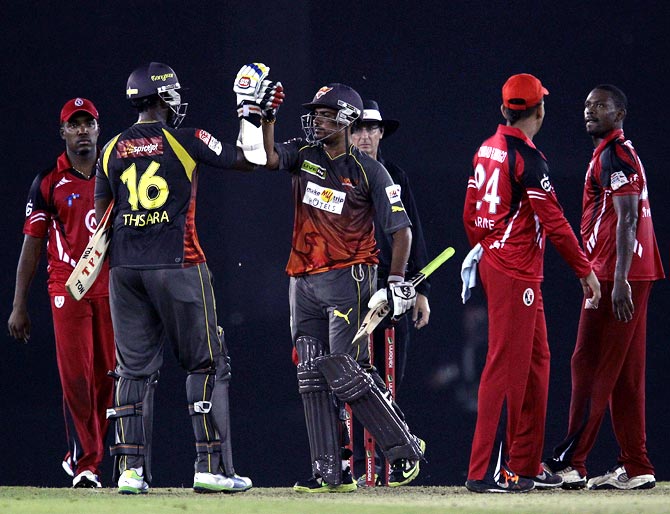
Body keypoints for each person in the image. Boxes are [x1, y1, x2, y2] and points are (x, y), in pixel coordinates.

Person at [94, 62, 264, 494]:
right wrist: (249, 109)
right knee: (207, 362)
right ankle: (210, 467)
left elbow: (101, 219)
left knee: (132, 370)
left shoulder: (111, 147)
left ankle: (129, 471)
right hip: (179, 263)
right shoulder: (185, 139)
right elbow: (248, 160)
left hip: (125, 270)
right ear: (164, 98)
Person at [258, 77, 426, 492]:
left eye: (327, 114)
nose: (317, 121)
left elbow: (401, 232)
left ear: (348, 119)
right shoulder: (303, 153)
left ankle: (404, 448)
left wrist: (395, 282)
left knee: (345, 370)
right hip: (303, 279)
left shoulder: (371, 170)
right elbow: (264, 159)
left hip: (349, 278)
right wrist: (266, 119)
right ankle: (330, 472)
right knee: (311, 374)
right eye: (315, 113)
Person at [462, 73, 601, 493]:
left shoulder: (487, 147)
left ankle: (524, 465)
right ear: (538, 111)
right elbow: (555, 222)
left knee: (538, 362)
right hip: (514, 271)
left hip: (506, 265)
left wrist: (486, 247)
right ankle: (484, 471)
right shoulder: (527, 158)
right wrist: (585, 270)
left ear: (505, 109)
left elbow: (471, 213)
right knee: (505, 368)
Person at [544, 85, 664, 490]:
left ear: (621, 113)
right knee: (625, 375)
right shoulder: (610, 154)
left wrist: (621, 279)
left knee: (590, 366)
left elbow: (628, 217)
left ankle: (571, 463)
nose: (590, 111)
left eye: (600, 106)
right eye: (586, 105)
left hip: (618, 274)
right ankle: (637, 465)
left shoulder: (615, 154)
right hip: (622, 272)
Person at [8, 98, 116, 489]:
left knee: (107, 377)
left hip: (109, 288)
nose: (83, 130)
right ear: (64, 132)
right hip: (67, 288)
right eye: (75, 125)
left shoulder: (115, 172)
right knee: (76, 377)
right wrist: (19, 304)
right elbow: (32, 244)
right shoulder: (48, 181)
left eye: (89, 124)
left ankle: (89, 455)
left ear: (98, 129)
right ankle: (86, 463)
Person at [349, 99, 431, 484]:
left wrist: (422, 289)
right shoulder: (335, 174)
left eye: (371, 129)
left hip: (390, 288)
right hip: (346, 287)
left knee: (388, 378)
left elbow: (410, 231)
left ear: (382, 133)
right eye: (358, 129)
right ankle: (348, 463)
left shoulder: (395, 174)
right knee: (348, 376)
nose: (365, 137)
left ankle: (396, 458)